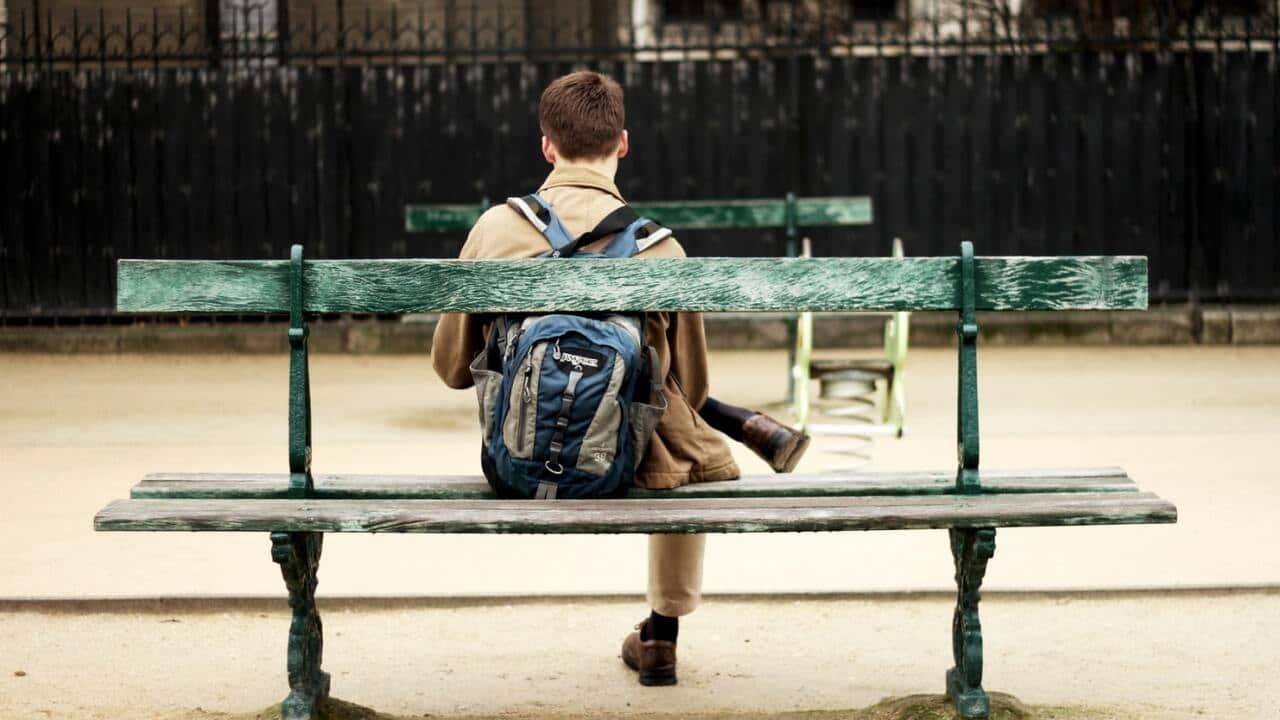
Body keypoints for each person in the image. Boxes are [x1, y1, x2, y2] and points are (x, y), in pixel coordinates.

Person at [431, 70, 809, 687]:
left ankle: (660, 630)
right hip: (628, 462)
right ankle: (662, 632)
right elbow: (694, 384)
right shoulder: (661, 248)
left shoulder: (495, 229)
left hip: (515, 459)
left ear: (546, 147)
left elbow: (451, 370)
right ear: (624, 144)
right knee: (689, 438)